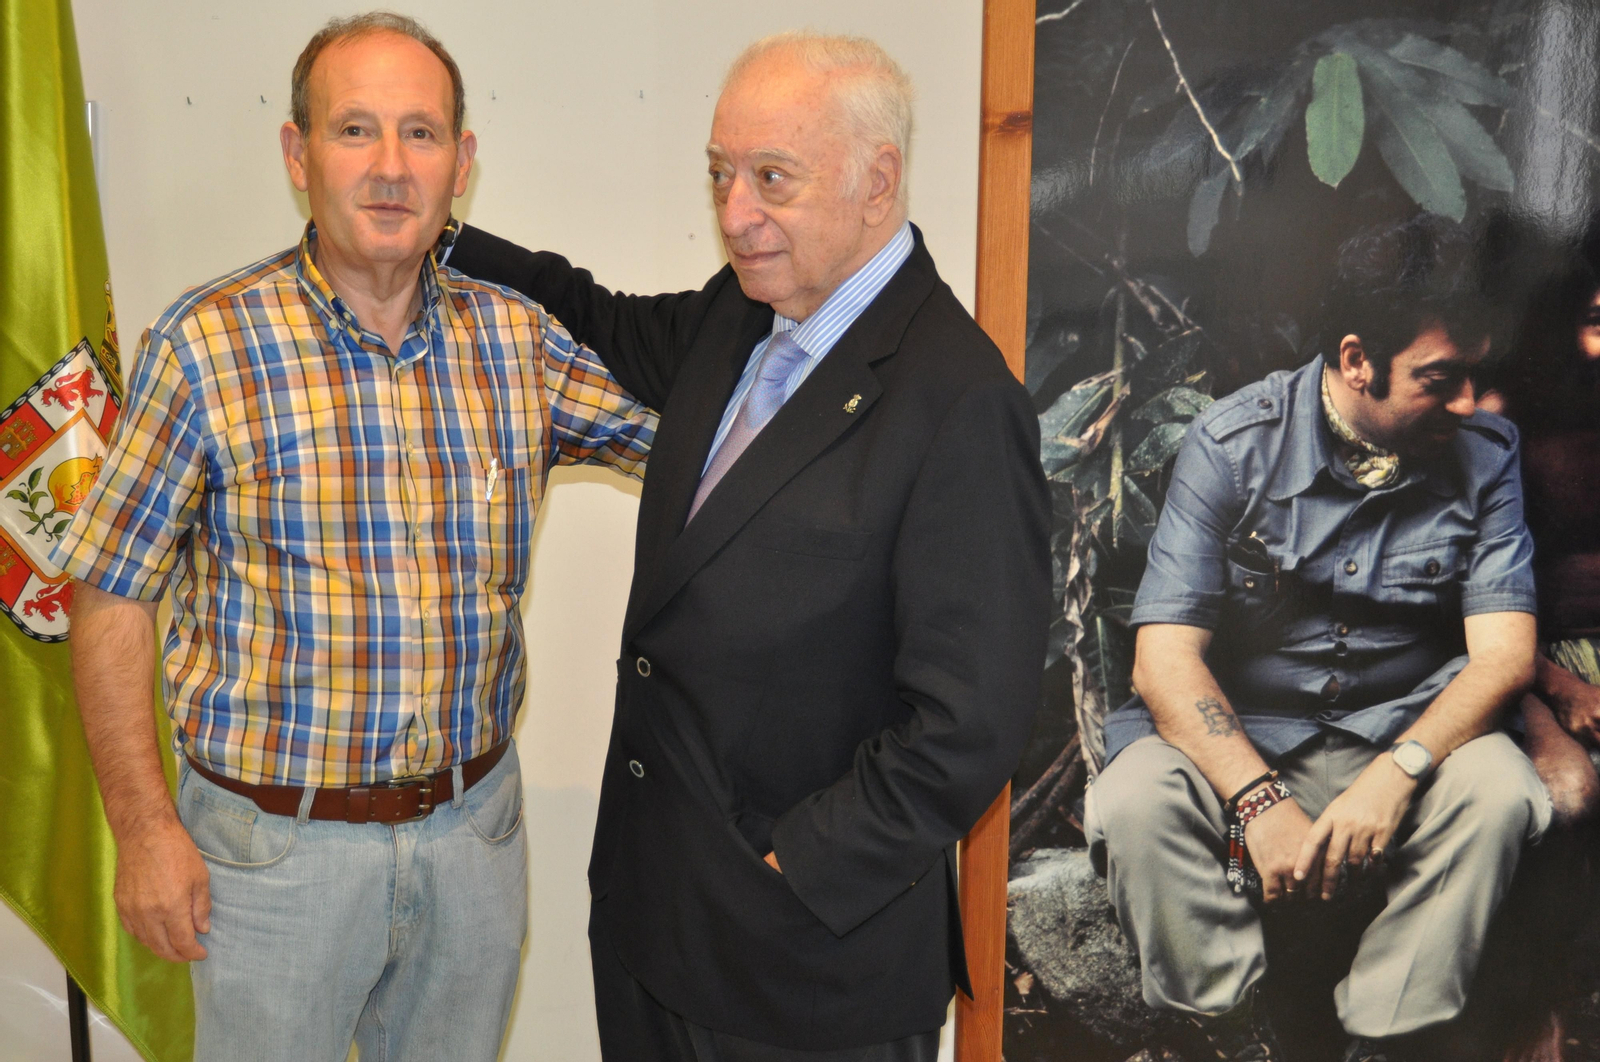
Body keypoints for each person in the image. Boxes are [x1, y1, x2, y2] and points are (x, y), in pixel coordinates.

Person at [51, 13, 653, 1062]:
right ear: (298, 154)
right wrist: (144, 831)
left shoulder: (520, 341)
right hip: (271, 860)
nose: (389, 167)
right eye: (354, 130)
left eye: (421, 133)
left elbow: (703, 451)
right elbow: (109, 591)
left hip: (472, 842)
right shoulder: (207, 345)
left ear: (461, 162)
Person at [445, 31, 1051, 1062]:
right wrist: (437, 235)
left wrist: (790, 873)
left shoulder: (959, 401)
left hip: (805, 973)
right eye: (721, 173)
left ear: (877, 181)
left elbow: (970, 724)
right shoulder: (739, 311)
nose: (733, 214)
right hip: (652, 932)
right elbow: (595, 315)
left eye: (772, 178)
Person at [1084, 215, 1552, 1062]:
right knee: (1134, 799)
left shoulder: (1486, 454)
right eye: (1440, 379)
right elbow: (1164, 660)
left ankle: (1385, 1036)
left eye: (1474, 375)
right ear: (1357, 359)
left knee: (1500, 788)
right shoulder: (1231, 446)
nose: (1468, 403)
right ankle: (1233, 1035)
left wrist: (1398, 774)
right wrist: (1257, 802)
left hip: (1408, 737)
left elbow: (1504, 656)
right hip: (1248, 741)